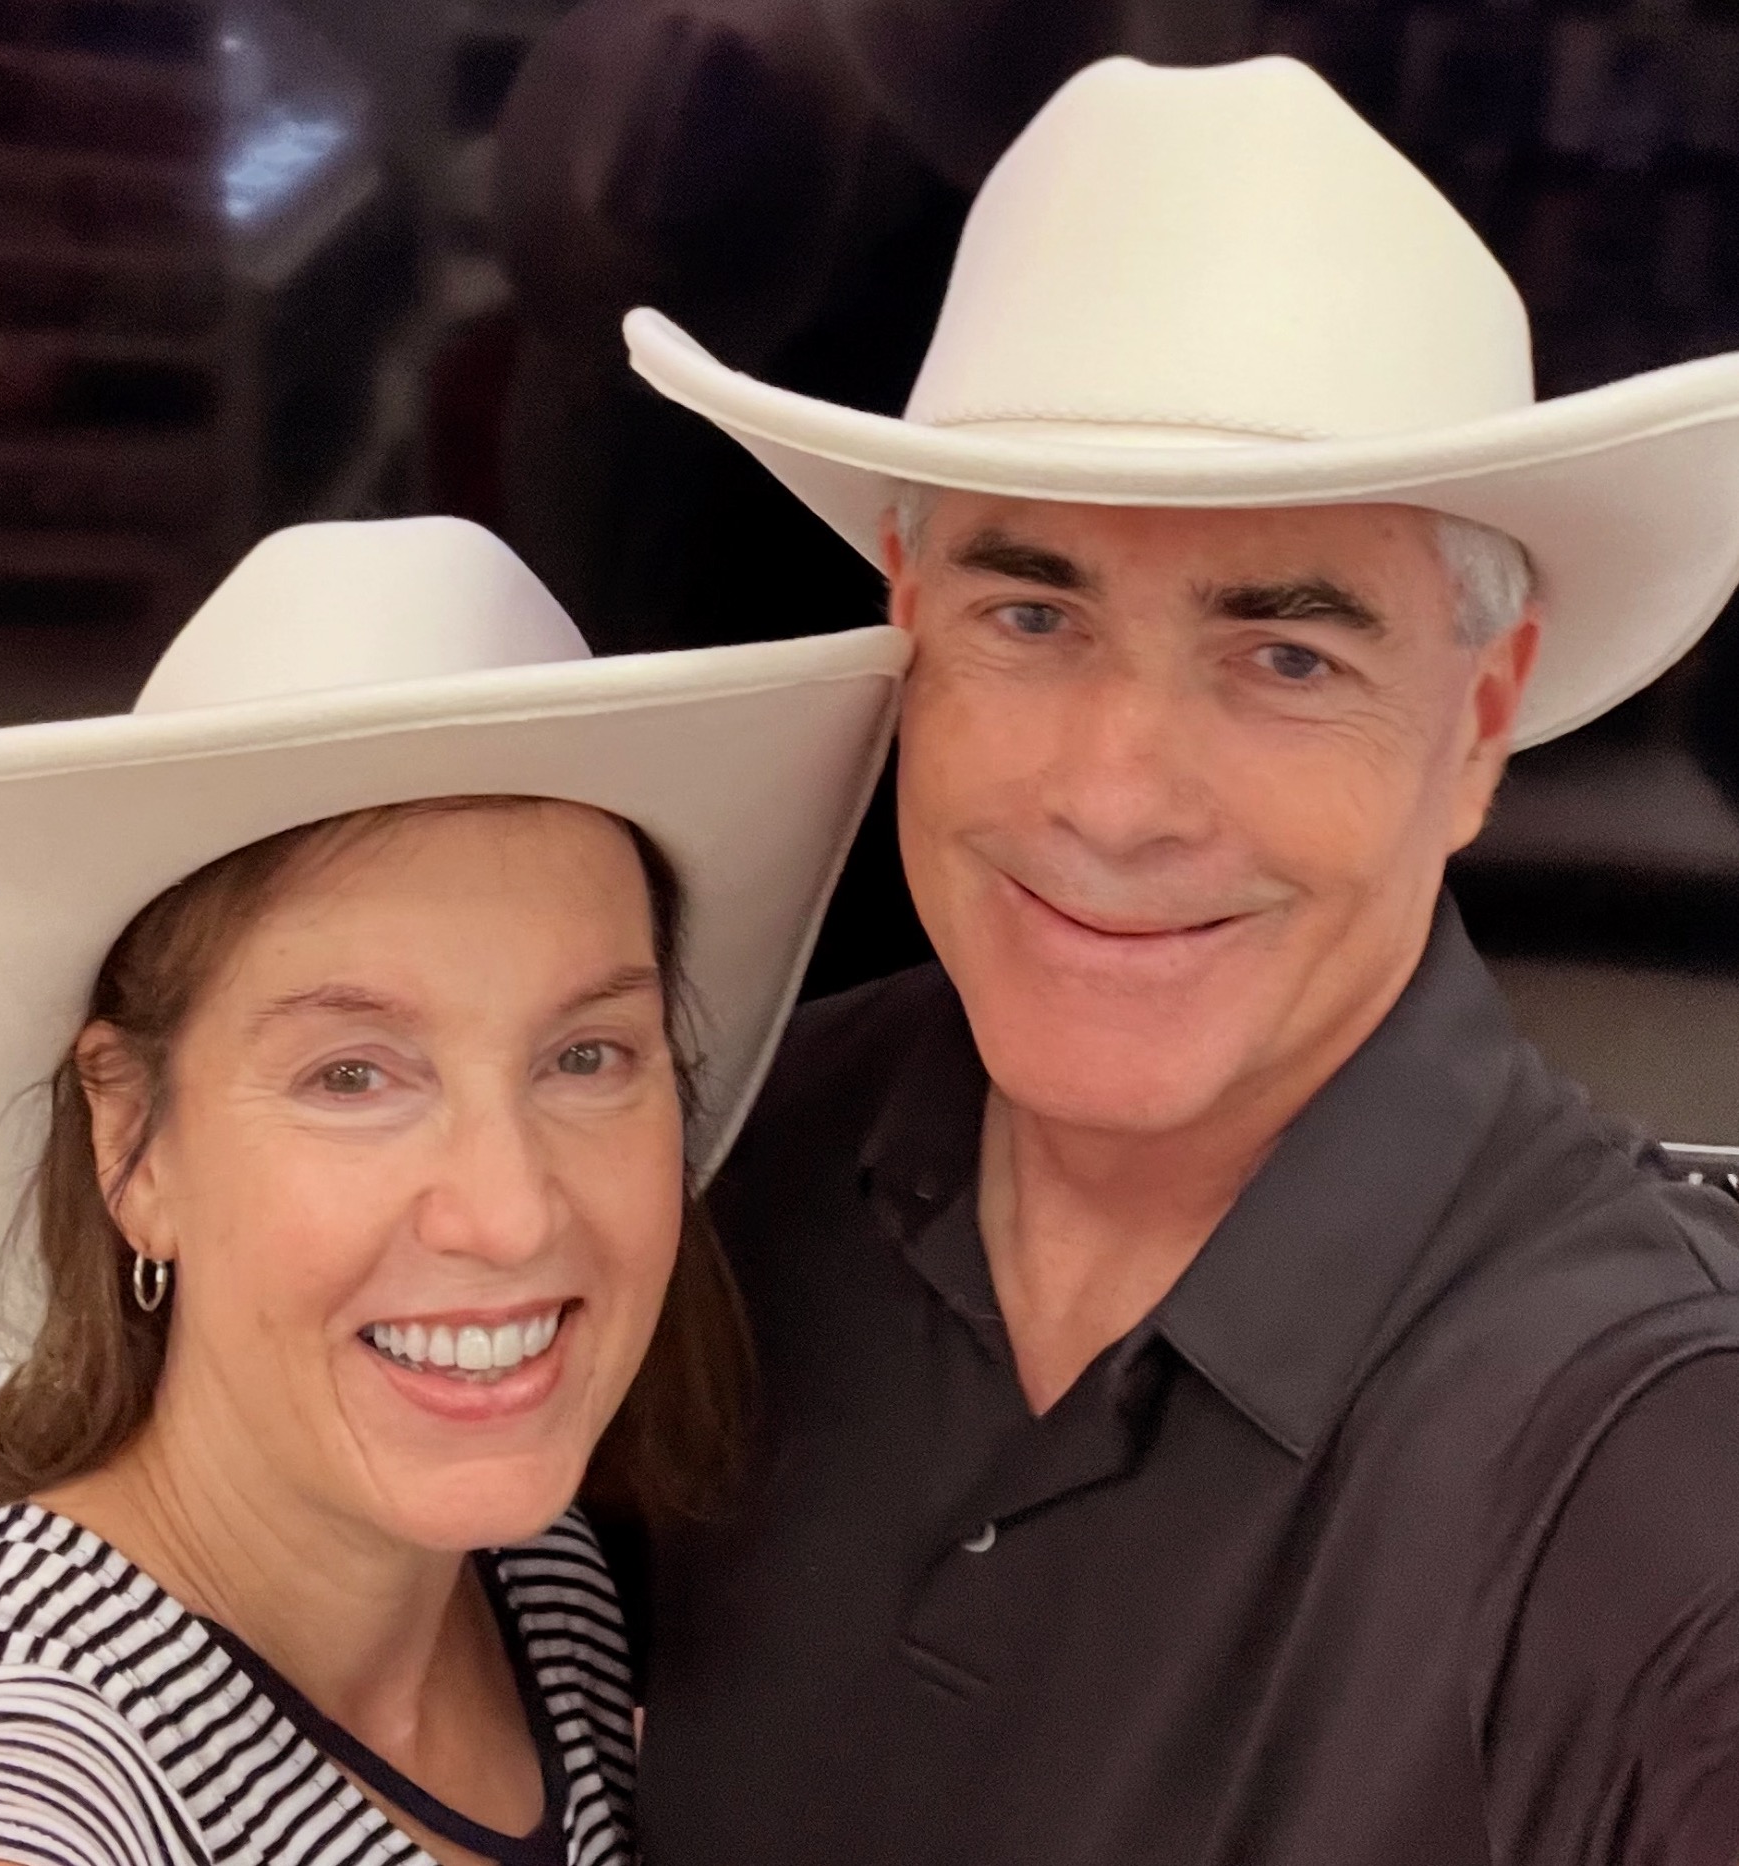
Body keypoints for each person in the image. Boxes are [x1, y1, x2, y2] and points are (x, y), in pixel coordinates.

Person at [618, 55, 1739, 1866]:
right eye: (1032, 614)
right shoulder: (723, 1167)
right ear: (907, 623)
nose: (1118, 796)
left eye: (1284, 656)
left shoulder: (1642, 1471)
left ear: (1477, 719)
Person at [0, 517, 904, 1865]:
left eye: (584, 1055)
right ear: (133, 1146)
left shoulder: (538, 1590)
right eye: (353, 1075)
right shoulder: (25, 1778)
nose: (505, 1212)